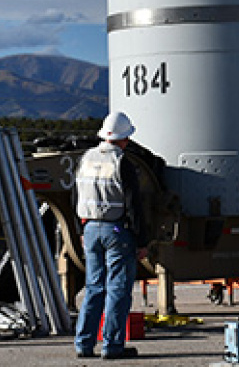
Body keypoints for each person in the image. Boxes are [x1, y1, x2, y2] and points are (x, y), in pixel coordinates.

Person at [73, 111, 148, 360]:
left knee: (94, 287)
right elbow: (134, 205)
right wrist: (142, 240)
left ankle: (84, 343)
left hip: (90, 228)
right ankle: (112, 345)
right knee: (117, 289)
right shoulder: (122, 163)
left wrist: (79, 230)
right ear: (124, 138)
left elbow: (76, 196)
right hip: (116, 230)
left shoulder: (86, 159)